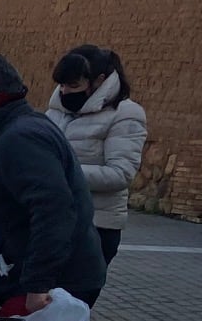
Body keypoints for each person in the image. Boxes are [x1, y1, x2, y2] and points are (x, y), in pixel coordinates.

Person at [0, 53, 106, 317]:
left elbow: (54, 210)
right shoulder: (17, 129)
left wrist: (38, 285)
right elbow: (21, 199)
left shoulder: (20, 139)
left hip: (54, 287)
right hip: (43, 278)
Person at [45, 45, 145, 272]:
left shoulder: (126, 114)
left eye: (74, 85)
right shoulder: (56, 111)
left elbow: (121, 174)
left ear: (99, 81)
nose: (65, 92)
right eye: (61, 85)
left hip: (96, 226)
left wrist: (61, 172)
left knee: (72, 301)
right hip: (53, 220)